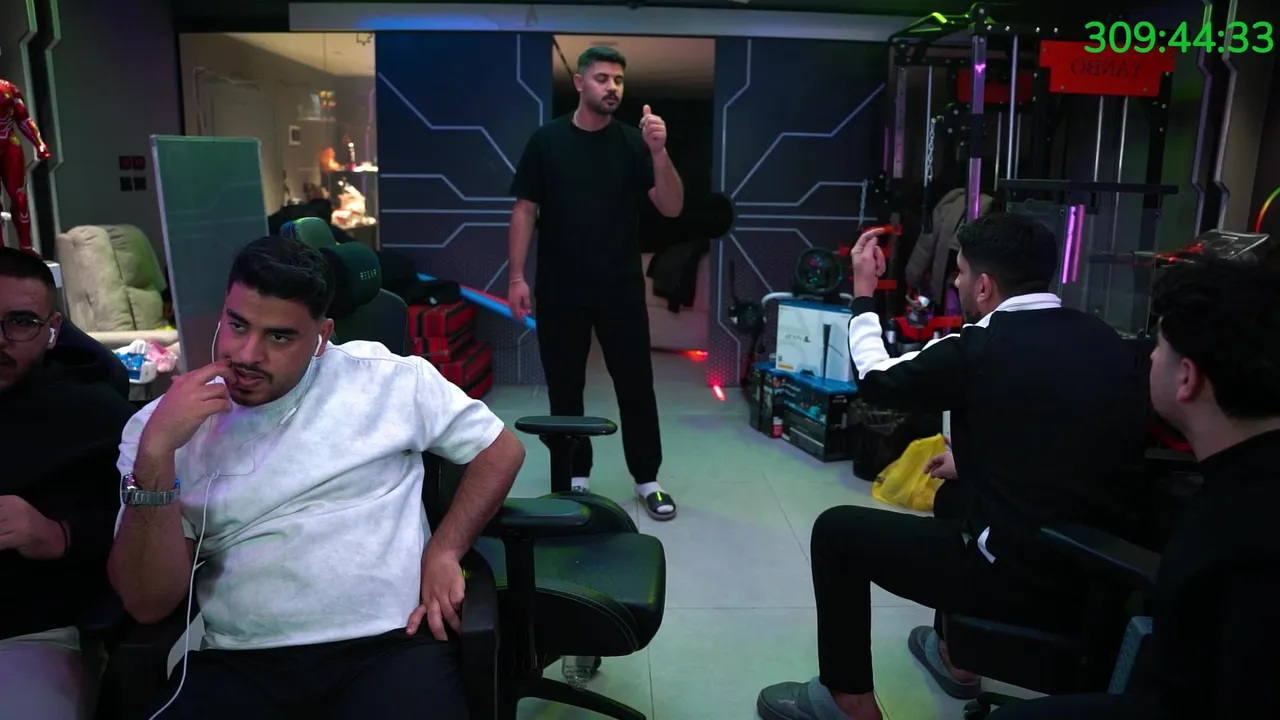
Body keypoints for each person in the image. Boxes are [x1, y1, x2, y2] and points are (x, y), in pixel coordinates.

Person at [108, 236, 526, 718]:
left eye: (279, 337)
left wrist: (445, 549)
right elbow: (147, 603)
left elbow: (500, 449)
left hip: (389, 647)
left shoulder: (386, 380)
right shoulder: (162, 428)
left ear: (322, 336)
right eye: (237, 325)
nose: (247, 354)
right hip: (243, 662)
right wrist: (156, 455)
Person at [757, 214, 1148, 720]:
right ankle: (954, 656)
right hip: (1098, 573)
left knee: (836, 533)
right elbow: (1059, 430)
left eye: (960, 273)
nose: (958, 283)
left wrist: (863, 293)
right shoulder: (1105, 338)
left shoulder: (977, 347)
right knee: (950, 494)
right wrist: (975, 462)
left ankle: (847, 701)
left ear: (984, 286)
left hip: (1020, 576)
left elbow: (877, 378)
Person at [994, 258, 1280, 719]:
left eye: (1159, 346)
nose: (1149, 357)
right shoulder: (1244, 484)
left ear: (1186, 378)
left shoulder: (1241, 532)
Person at [507, 46, 684, 520]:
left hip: (620, 288)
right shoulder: (546, 141)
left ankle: (647, 478)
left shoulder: (633, 144)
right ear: (580, 83)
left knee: (636, 385)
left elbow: (671, 206)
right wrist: (517, 276)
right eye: (603, 78)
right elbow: (524, 209)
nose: (612, 87)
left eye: (619, 80)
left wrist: (659, 151)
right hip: (560, 287)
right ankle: (574, 478)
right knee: (565, 387)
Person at [0, 247, 137, 719]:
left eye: (20, 322)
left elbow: (157, 528)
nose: (0, 339)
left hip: (32, 634)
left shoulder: (95, 415)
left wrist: (58, 535)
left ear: (52, 329)